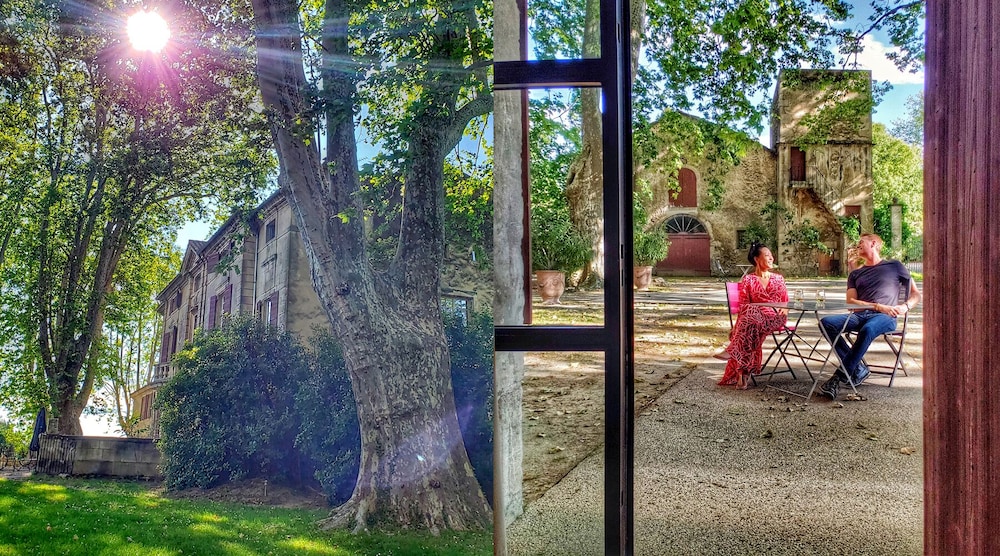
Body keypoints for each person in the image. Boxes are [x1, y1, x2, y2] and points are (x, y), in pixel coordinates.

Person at [818, 233, 922, 399]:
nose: (857, 245)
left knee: (868, 329)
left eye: (861, 242)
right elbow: (851, 302)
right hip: (860, 315)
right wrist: (876, 305)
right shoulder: (855, 274)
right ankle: (857, 368)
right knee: (826, 323)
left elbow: (916, 294)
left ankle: (839, 377)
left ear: (873, 243)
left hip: (885, 318)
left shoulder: (894, 266)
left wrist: (905, 306)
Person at [717, 243, 789, 390]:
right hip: (752, 320)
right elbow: (743, 307)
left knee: (750, 316)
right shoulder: (748, 280)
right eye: (767, 255)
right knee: (750, 317)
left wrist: (786, 309)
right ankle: (743, 372)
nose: (771, 258)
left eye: (771, 255)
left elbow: (785, 302)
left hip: (775, 317)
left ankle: (735, 357)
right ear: (757, 259)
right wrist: (736, 327)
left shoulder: (778, 279)